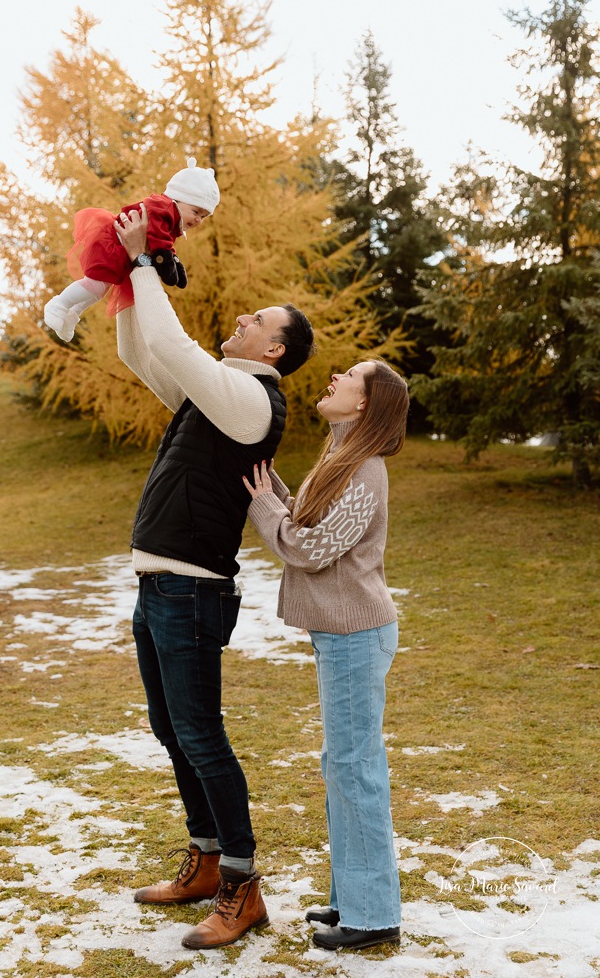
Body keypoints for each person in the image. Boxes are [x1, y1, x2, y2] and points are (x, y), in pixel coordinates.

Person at [114, 205, 316, 951]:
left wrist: (141, 264)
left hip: (192, 592)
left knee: (200, 734)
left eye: (255, 316)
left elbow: (171, 339)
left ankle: (241, 885)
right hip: (158, 586)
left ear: (275, 347)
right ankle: (203, 862)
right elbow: (145, 353)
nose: (238, 316)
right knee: (171, 729)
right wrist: (130, 279)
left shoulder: (248, 401)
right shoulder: (214, 395)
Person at [243, 359, 409, 952]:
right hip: (342, 634)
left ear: (365, 404)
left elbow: (311, 547)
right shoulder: (340, 456)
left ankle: (373, 914)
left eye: (348, 376)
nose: (333, 377)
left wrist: (264, 508)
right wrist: (273, 489)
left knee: (354, 768)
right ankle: (353, 897)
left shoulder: (365, 470)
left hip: (355, 635)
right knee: (342, 765)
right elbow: (310, 520)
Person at [43, 158, 219, 341]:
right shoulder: (163, 207)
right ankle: (59, 304)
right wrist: (166, 260)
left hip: (122, 252)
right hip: (113, 245)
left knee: (99, 290)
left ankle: (72, 313)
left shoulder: (172, 220)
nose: (198, 220)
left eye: (204, 217)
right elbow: (159, 240)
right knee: (94, 283)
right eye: (196, 211)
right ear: (179, 199)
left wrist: (174, 261)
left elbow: (163, 242)